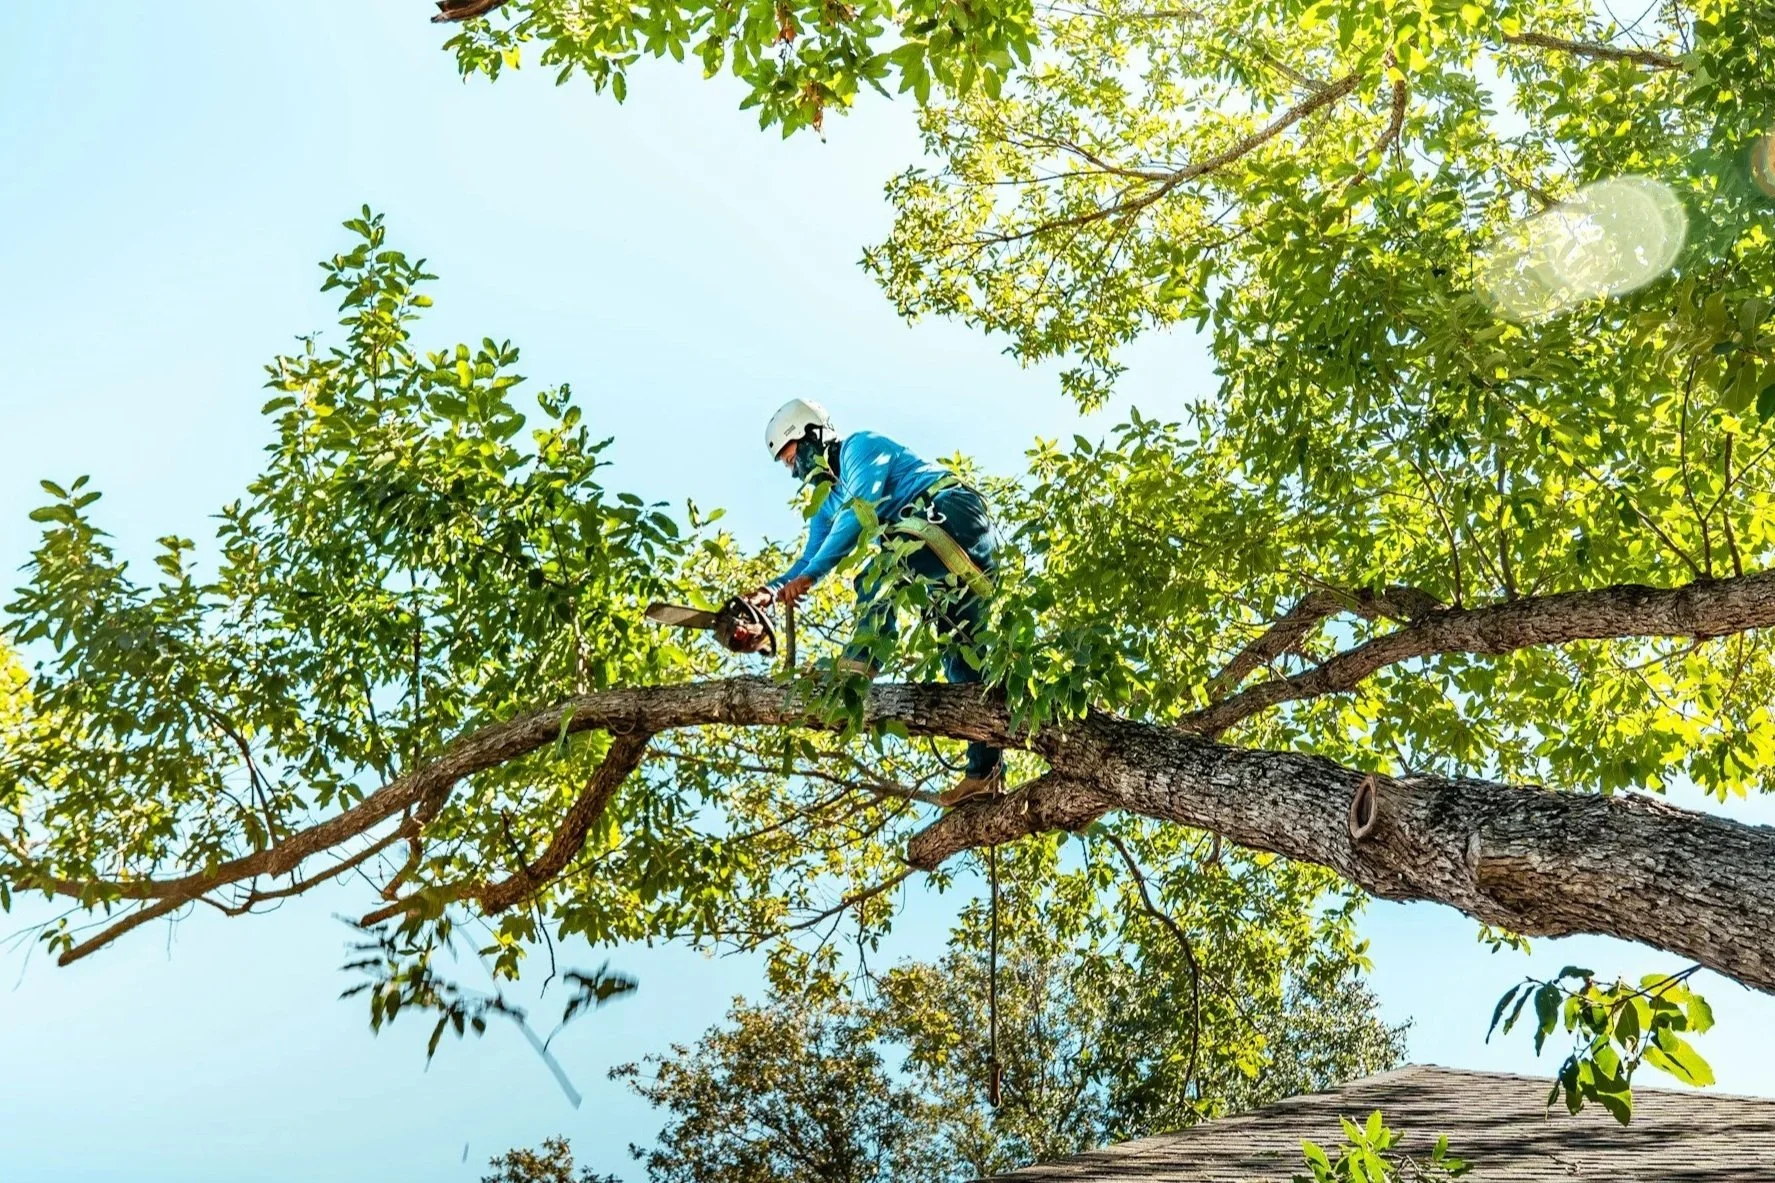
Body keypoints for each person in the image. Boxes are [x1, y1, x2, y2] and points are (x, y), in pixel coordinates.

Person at [751, 398, 1003, 807]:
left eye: (792, 456)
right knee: (963, 662)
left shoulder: (859, 448)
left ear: (812, 434)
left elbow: (859, 512)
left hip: (950, 514)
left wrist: (811, 576)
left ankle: (858, 666)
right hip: (941, 564)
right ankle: (985, 775)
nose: (793, 470)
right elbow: (809, 554)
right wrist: (769, 592)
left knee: (877, 572)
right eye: (785, 463)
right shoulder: (824, 504)